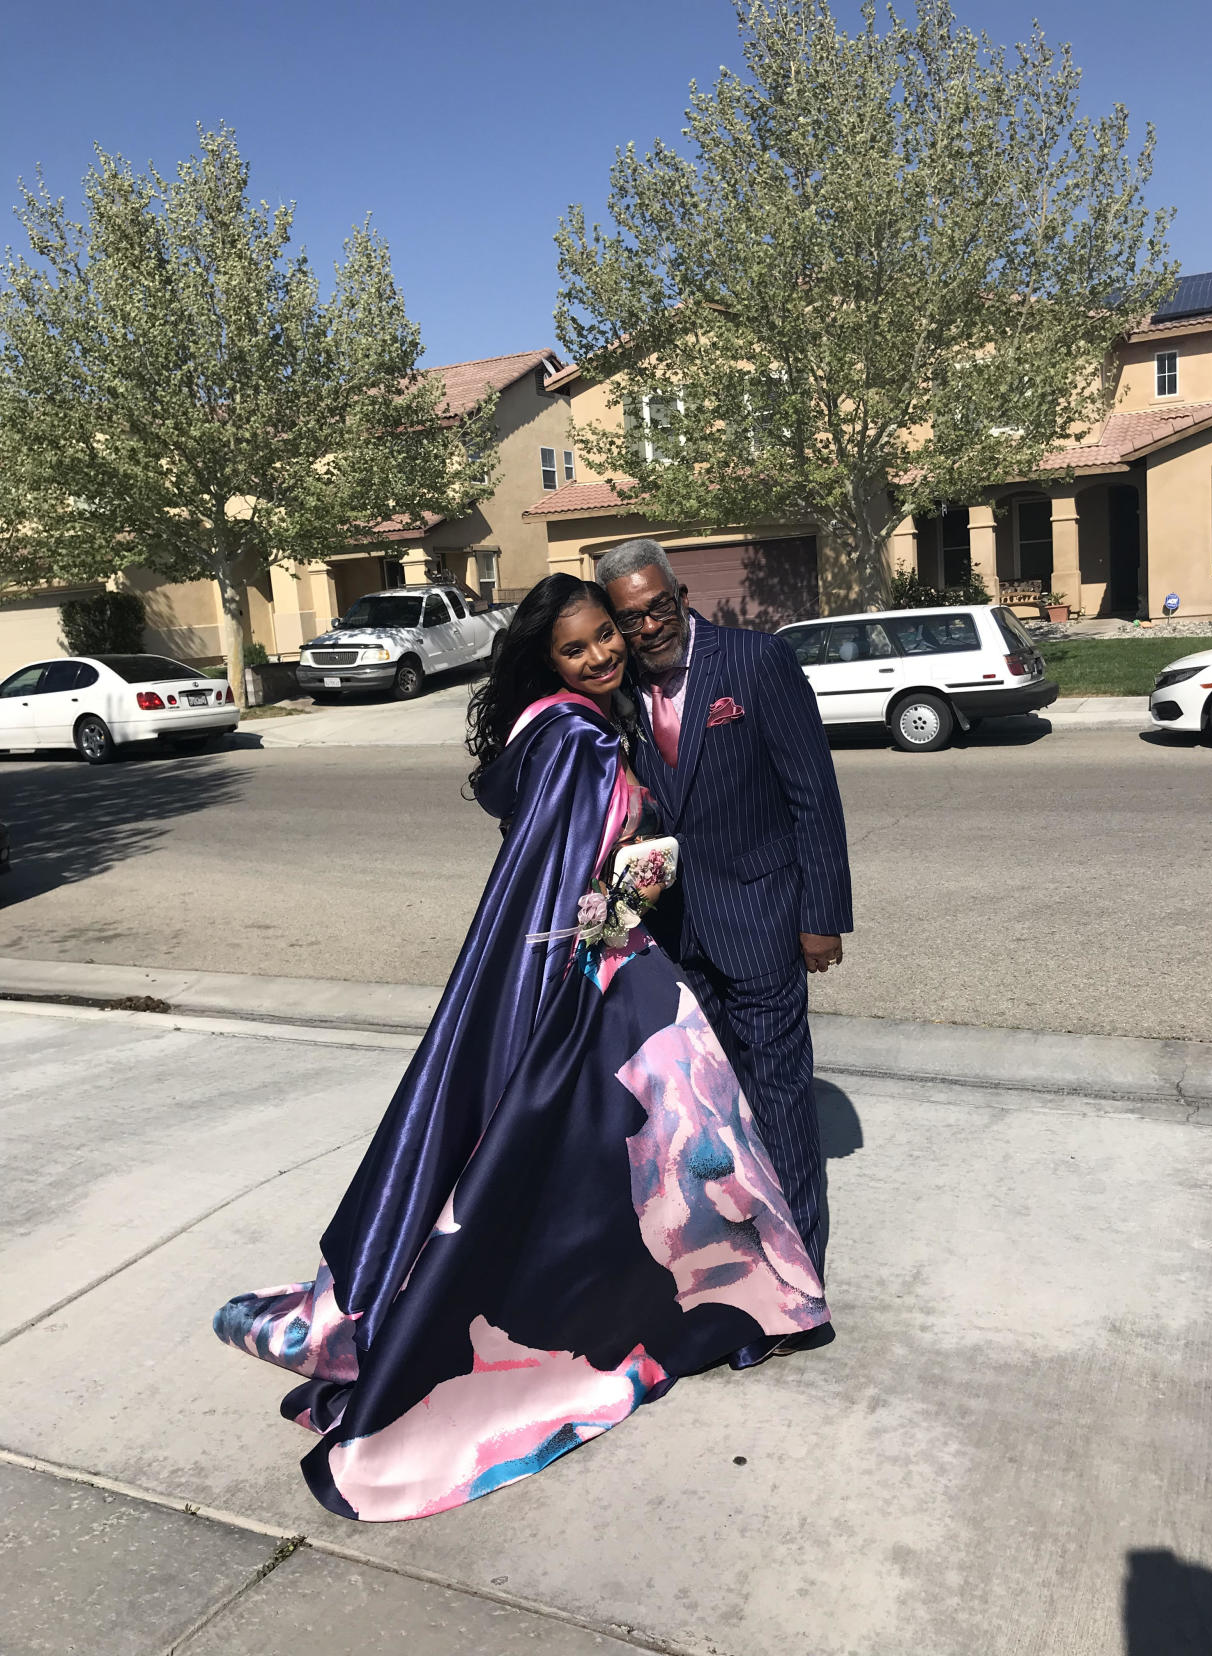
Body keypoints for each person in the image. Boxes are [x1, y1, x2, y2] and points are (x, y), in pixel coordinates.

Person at [213, 574, 831, 1524]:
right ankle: (734, 1300)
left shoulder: (557, 727)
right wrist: (604, 924)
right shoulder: (577, 740)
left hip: (615, 959)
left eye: (604, 639)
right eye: (577, 648)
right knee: (669, 1136)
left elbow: (551, 867)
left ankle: (737, 1290)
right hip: (597, 973)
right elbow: (551, 884)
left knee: (666, 1147)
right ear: (550, 659)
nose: (601, 656)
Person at [597, 540, 853, 1286]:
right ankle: (737, 1268)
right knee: (712, 1113)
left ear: (679, 595)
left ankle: (801, 1280)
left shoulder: (756, 662)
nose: (648, 628)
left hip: (765, 919)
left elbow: (813, 796)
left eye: (657, 607)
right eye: (629, 618)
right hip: (678, 936)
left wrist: (822, 914)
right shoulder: (619, 694)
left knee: (778, 1099)